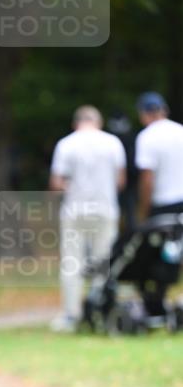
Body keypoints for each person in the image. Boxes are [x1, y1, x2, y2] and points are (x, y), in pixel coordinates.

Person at [49, 105, 126, 332]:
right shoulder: (113, 143)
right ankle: (99, 310)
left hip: (75, 211)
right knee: (103, 262)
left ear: (76, 123)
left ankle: (71, 315)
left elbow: (56, 183)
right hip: (105, 210)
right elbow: (120, 181)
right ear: (98, 122)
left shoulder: (66, 144)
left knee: (72, 263)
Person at [135, 92, 183, 219]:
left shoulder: (146, 137)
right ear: (165, 110)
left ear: (143, 114)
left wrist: (143, 211)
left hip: (162, 204)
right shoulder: (180, 130)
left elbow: (147, 179)